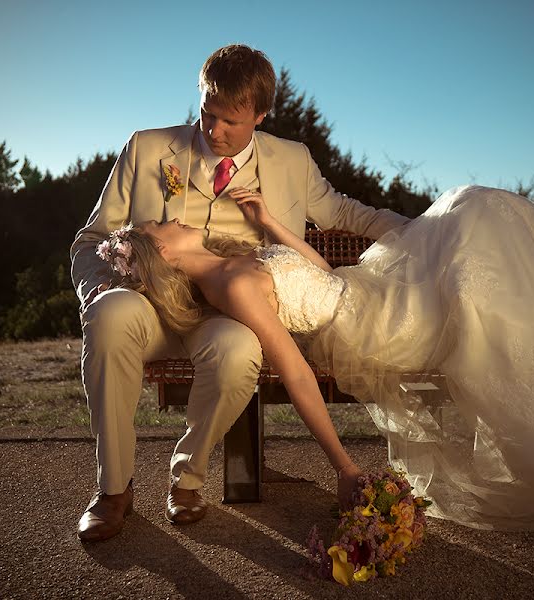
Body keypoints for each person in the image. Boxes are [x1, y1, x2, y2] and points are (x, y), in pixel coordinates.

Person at [97, 184, 534, 544]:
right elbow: (293, 367)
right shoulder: (228, 287)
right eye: (160, 224)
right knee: (478, 237)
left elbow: (316, 272)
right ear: (166, 258)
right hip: (375, 325)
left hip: (365, 290)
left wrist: (271, 224)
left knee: (478, 217)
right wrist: (343, 468)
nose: (172, 216)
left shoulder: (234, 261)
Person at [70, 45, 410, 542]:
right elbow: (92, 237)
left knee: (239, 350)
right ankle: (113, 489)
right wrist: (96, 286)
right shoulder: (146, 148)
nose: (213, 130)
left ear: (260, 114)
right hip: (152, 301)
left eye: (229, 120)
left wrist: (418, 232)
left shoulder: (292, 161)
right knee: (109, 314)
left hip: (233, 310)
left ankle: (187, 479)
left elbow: (345, 213)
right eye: (206, 114)